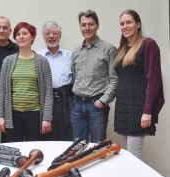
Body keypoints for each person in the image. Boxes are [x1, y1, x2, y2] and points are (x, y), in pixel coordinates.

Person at [114, 9, 164, 160]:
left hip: (139, 107)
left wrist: (147, 111)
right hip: (123, 106)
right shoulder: (122, 49)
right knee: (128, 155)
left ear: (138, 24)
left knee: (134, 157)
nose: (125, 26)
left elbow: (154, 80)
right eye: (122, 23)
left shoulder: (149, 44)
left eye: (129, 22)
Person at [0, 22, 53, 142]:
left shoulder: (42, 61)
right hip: (12, 116)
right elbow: (1, 90)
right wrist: (0, 116)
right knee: (14, 152)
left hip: (35, 115)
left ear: (32, 37)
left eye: (25, 33)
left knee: (34, 151)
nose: (21, 37)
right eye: (18, 34)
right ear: (15, 38)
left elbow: (48, 92)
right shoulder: (8, 61)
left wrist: (47, 118)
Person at [71, 10, 118, 143]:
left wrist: (103, 101)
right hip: (77, 106)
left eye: (90, 24)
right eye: (83, 25)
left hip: (97, 105)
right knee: (77, 146)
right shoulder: (76, 52)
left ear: (97, 25)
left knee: (98, 146)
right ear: (80, 27)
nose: (87, 28)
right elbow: (75, 78)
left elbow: (114, 79)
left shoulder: (109, 49)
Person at [38, 21, 74, 141]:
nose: (51, 36)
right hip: (46, 101)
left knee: (68, 134)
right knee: (47, 134)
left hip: (67, 101)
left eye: (55, 33)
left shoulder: (70, 55)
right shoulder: (38, 56)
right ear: (43, 37)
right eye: (47, 33)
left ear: (60, 35)